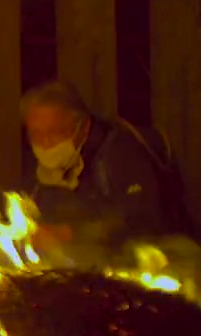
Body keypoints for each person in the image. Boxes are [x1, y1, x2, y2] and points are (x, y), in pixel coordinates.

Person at [21, 80, 192, 249]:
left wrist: (70, 233)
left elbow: (142, 220)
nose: (45, 143)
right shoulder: (39, 172)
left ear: (84, 127)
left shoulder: (120, 153)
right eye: (36, 134)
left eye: (56, 132)